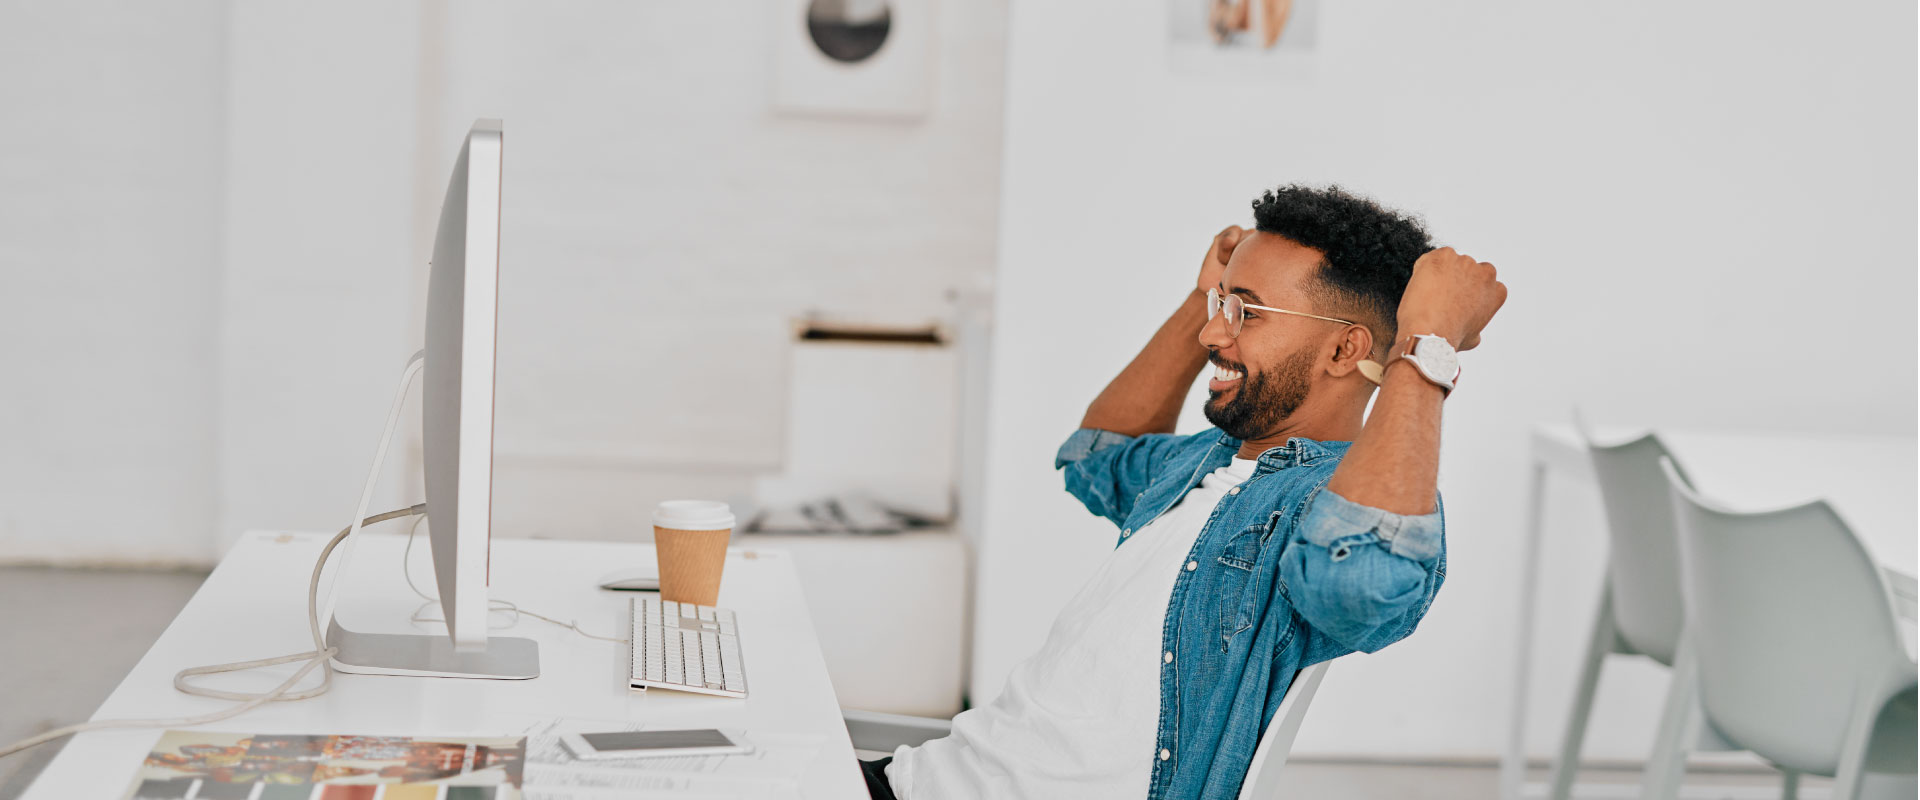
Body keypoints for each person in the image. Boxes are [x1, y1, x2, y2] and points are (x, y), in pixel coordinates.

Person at [860, 184, 1508, 800]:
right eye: (1220, 307)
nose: (1211, 334)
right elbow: (1093, 458)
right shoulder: (1208, 459)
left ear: (1344, 351)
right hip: (919, 777)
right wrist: (1203, 293)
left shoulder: (1317, 507)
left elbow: (1360, 587)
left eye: (1245, 311)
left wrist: (1428, 349)